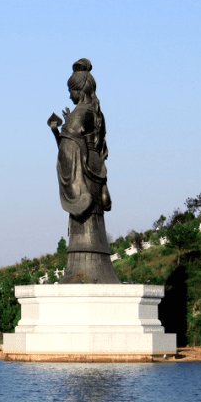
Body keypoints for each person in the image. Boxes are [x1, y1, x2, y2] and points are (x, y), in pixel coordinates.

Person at [47, 58, 119, 283]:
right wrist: (60, 132)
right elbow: (76, 142)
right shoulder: (96, 112)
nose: (70, 95)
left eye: (71, 90)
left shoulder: (81, 113)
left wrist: (58, 130)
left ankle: (86, 270)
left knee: (85, 221)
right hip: (95, 169)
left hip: (84, 173)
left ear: (79, 89)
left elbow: (69, 145)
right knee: (93, 221)